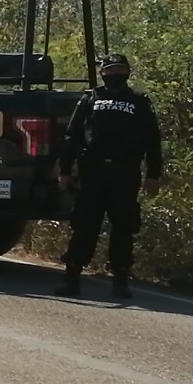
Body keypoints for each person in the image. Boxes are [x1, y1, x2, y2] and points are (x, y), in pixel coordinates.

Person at [54, 52, 163, 299]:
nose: (115, 74)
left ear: (128, 72)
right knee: (84, 226)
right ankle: (71, 279)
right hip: (92, 172)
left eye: (119, 69)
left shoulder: (139, 102)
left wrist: (153, 175)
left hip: (125, 173)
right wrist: (64, 170)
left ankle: (121, 281)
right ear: (103, 73)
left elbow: (152, 141)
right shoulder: (90, 99)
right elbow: (72, 137)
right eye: (110, 70)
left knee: (124, 228)